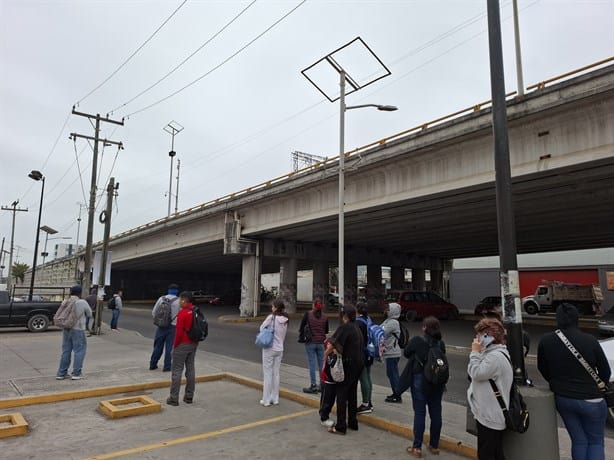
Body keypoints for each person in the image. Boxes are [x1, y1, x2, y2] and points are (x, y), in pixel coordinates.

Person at [538, 303, 610, 460]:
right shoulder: (590, 340)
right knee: (595, 442)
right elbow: (606, 371)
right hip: (592, 399)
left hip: (563, 398)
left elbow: (542, 368)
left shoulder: (546, 341)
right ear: (577, 319)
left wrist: (557, 382)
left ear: (557, 319)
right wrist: (598, 386)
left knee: (579, 441)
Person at [467, 317, 513, 460]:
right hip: (490, 413)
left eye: (480, 334)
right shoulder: (493, 353)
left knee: (486, 454)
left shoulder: (495, 358)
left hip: (491, 416)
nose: (477, 337)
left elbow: (476, 372)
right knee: (496, 452)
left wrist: (474, 352)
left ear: (489, 336)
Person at [404, 316, 447, 457]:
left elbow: (406, 352)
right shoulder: (440, 344)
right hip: (436, 381)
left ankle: (417, 447)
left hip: (420, 380)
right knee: (436, 413)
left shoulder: (417, 341)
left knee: (420, 413)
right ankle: (434, 445)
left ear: (424, 328)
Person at [327, 304, 364, 435]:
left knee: (341, 394)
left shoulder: (345, 327)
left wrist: (325, 356)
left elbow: (332, 344)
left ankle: (341, 425)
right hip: (359, 364)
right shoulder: (356, 327)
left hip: (348, 364)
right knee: (352, 393)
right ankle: (353, 422)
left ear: (345, 315)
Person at [166, 291, 199, 406]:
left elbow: (178, 333)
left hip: (182, 344)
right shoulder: (195, 311)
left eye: (180, 299)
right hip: (193, 344)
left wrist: (175, 347)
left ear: (184, 300)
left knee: (177, 370)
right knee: (190, 369)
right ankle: (189, 396)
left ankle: (174, 398)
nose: (179, 301)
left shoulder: (183, 313)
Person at [56, 285, 92, 380]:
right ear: (80, 293)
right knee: (79, 350)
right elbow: (89, 314)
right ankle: (76, 373)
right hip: (78, 329)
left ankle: (61, 373)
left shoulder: (66, 301)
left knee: (66, 350)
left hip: (66, 328)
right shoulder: (82, 302)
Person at [259, 298, 289, 407]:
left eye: (272, 306)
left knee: (267, 373)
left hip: (269, 348)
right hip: (279, 349)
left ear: (276, 308)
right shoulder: (286, 319)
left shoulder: (271, 317)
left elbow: (261, 328)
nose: (271, 308)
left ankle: (266, 400)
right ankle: (275, 398)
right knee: (276, 374)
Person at [150, 283, 181, 372]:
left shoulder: (161, 299)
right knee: (169, 347)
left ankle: (153, 364)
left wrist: (160, 321)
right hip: (173, 327)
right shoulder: (179, 301)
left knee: (157, 346)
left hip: (161, 326)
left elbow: (154, 312)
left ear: (168, 290)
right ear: (177, 291)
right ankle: (167, 366)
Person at [300, 299, 329, 394]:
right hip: (321, 343)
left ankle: (313, 385)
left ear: (313, 306)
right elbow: (326, 331)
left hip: (310, 342)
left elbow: (301, 327)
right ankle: (322, 385)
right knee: (321, 364)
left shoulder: (308, 314)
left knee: (311, 363)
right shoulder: (325, 317)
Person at [382, 302, 402, 403]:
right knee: (391, 374)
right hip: (390, 352)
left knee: (393, 374)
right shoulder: (388, 321)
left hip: (392, 353)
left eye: (388, 309)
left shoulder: (393, 322)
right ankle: (396, 392)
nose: (386, 311)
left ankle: (397, 395)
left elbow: (381, 331)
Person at [355, 301, 374, 414]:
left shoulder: (358, 322)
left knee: (363, 378)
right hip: (369, 352)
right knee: (368, 377)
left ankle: (365, 403)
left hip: (361, 352)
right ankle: (369, 401)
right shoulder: (368, 319)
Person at [319, 337, 337, 428]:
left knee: (331, 400)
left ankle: (325, 415)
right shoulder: (329, 356)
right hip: (327, 380)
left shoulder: (334, 354)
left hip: (333, 381)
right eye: (329, 345)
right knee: (326, 400)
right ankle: (323, 417)